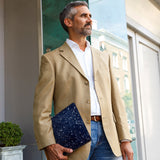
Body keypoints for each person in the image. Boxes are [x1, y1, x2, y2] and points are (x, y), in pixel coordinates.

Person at [33, 1, 134, 160]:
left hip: (108, 136)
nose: (89, 19)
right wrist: (48, 144)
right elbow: (41, 109)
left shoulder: (103, 57)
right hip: (74, 138)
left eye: (90, 16)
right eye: (83, 16)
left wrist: (125, 138)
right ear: (69, 22)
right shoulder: (51, 60)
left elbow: (116, 101)